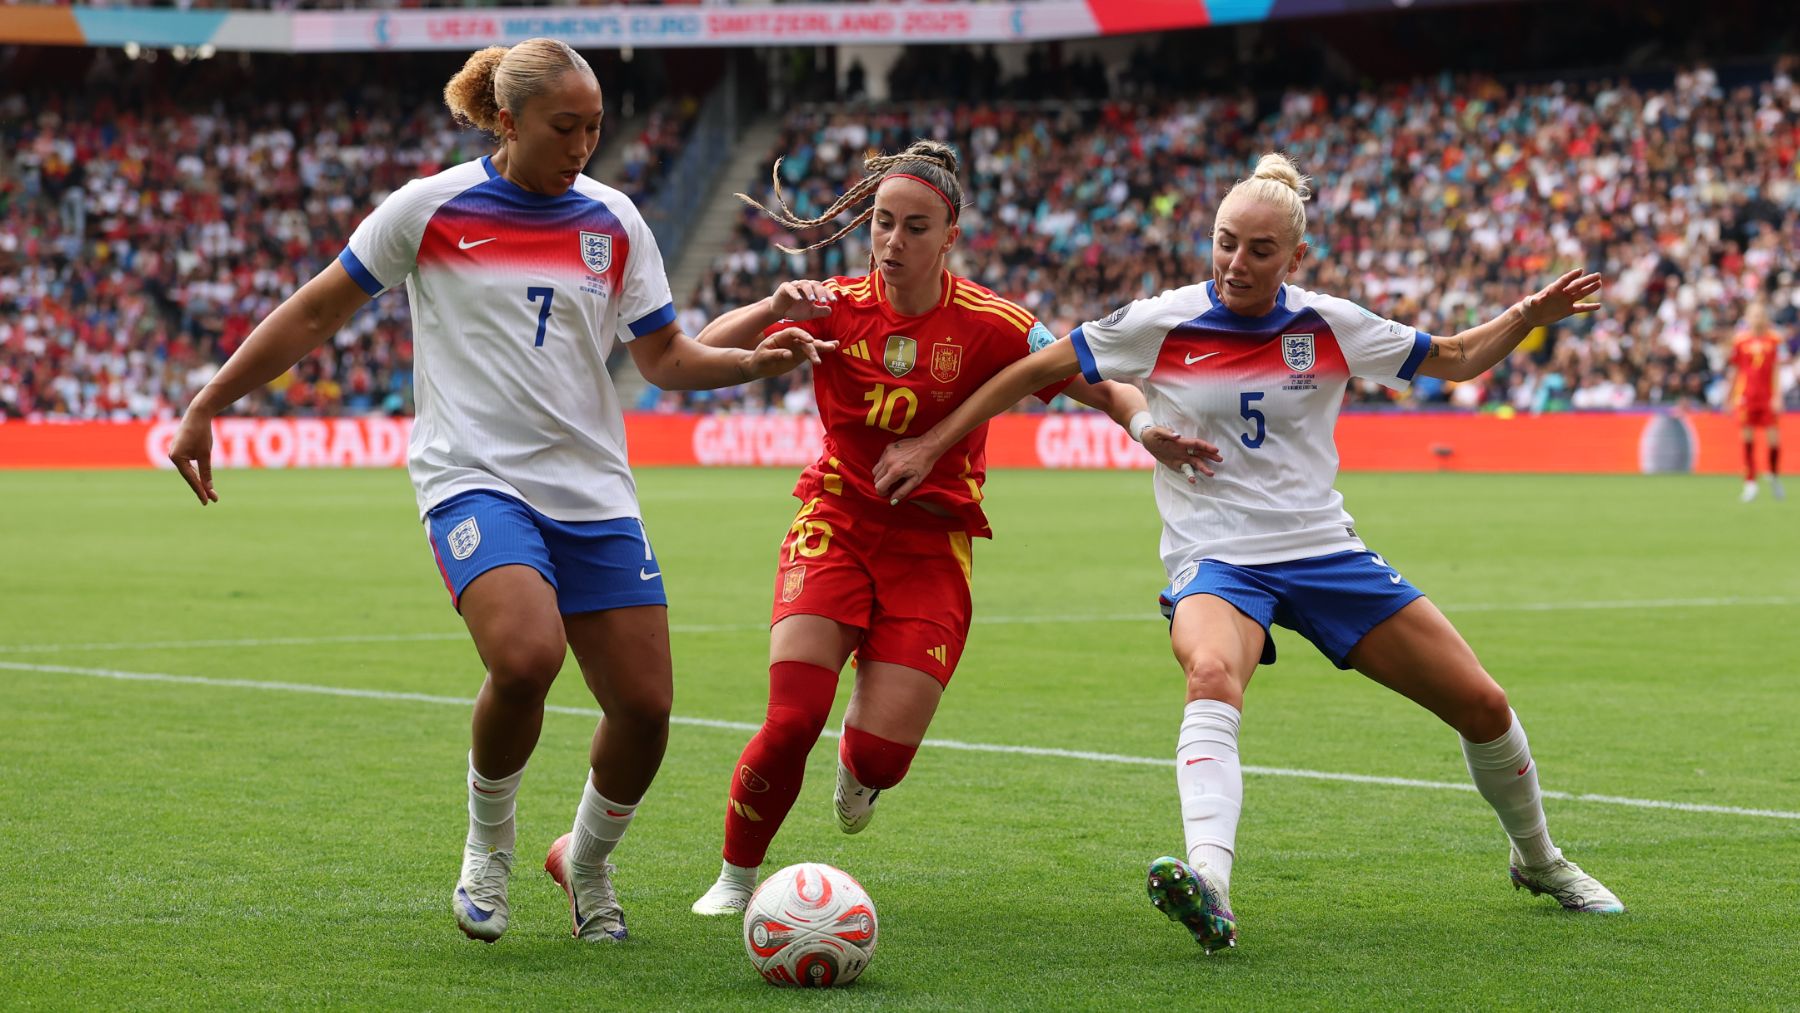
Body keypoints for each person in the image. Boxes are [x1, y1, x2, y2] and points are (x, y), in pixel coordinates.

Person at [873, 152, 1625, 953]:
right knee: (1210, 672)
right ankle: (1211, 883)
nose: (1236, 263)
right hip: (1218, 558)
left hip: (1323, 551)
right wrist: (934, 442)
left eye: (1260, 251)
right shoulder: (1160, 321)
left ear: (1295, 258)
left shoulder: (1329, 325)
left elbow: (1454, 357)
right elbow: (1032, 370)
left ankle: (1538, 858)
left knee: (1483, 705)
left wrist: (1525, 316)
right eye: (1225, 242)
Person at [165, 39, 829, 945]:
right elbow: (317, 309)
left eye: (595, 126)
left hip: (592, 489)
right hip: (473, 476)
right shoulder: (429, 207)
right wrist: (208, 402)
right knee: (525, 657)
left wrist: (752, 361)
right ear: (507, 121)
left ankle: (585, 861)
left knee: (645, 708)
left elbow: (665, 357)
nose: (583, 145)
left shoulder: (615, 220)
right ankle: (488, 844)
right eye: (565, 127)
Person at [684, 139, 1211, 916]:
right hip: (835, 520)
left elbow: (1098, 382)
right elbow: (692, 353)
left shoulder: (993, 324)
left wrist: (1145, 430)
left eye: (915, 227)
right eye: (882, 222)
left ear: (950, 236)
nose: (892, 241)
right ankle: (735, 878)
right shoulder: (832, 302)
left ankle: (859, 769)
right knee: (792, 719)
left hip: (931, 545)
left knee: (881, 757)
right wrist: (772, 308)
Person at [1727, 302, 1786, 502]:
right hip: (1746, 397)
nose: (1757, 318)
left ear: (1765, 317)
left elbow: (1777, 369)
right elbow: (1735, 370)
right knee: (1747, 440)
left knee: (1774, 440)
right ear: (1747, 318)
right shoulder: (1740, 341)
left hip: (1767, 397)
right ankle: (1750, 482)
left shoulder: (1774, 339)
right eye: (1753, 315)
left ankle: (1774, 475)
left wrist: (1778, 395)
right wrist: (1730, 396)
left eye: (1760, 314)